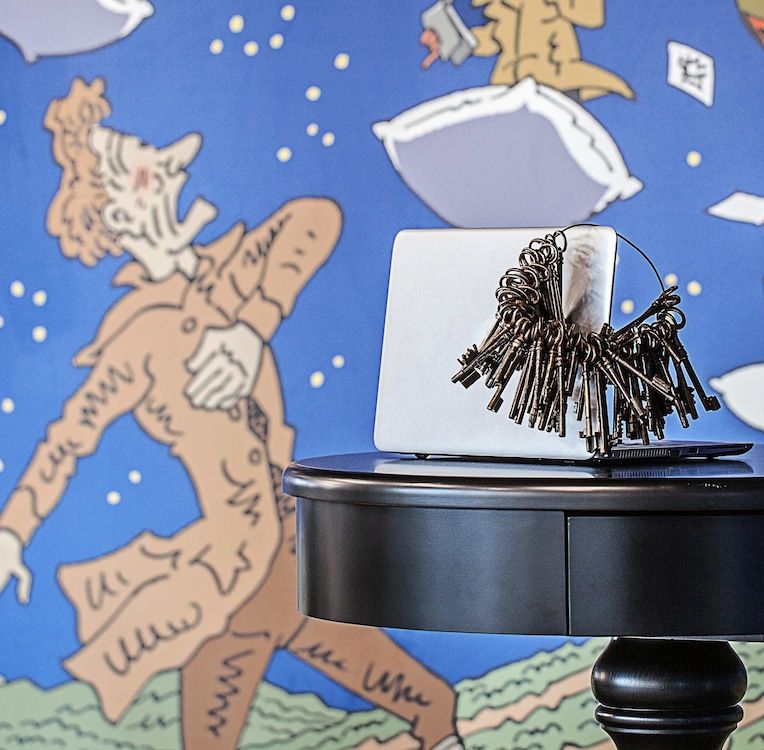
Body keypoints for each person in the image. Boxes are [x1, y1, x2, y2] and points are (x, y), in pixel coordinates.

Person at [0, 77, 462, 750]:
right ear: (119, 214)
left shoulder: (232, 274)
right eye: (128, 157)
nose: (150, 153)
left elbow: (313, 220)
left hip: (296, 556)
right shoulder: (136, 338)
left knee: (428, 702)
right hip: (233, 577)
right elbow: (67, 440)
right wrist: (12, 531)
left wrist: (251, 326)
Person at [420, 0, 634, 102]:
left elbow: (591, 14)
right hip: (507, 89)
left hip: (551, 86)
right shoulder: (507, 13)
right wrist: (444, 37)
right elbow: (491, 37)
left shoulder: (553, 18)